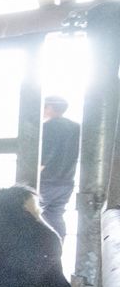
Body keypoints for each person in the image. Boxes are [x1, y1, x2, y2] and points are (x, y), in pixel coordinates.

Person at [39, 95, 80, 239]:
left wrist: (35, 173)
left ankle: (39, 251)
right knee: (56, 216)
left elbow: (45, 156)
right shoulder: (76, 128)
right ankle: (58, 247)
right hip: (66, 181)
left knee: (34, 215)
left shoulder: (47, 127)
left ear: (49, 108)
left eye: (43, 106)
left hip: (46, 182)